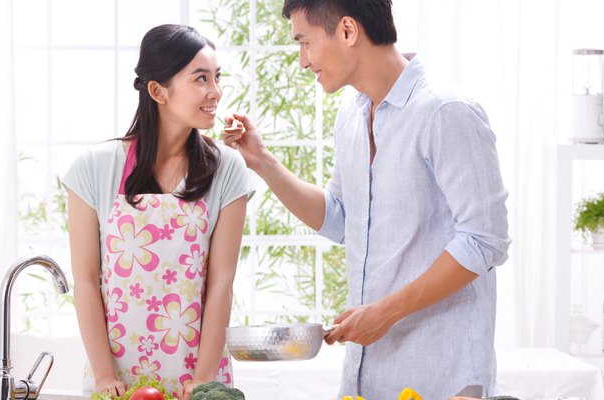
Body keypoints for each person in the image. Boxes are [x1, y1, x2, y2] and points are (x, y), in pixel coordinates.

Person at [222, 1, 511, 399]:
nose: (303, 61)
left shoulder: (445, 111)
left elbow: (485, 240)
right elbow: (342, 219)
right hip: (367, 372)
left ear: (347, 31)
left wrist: (385, 312)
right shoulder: (352, 117)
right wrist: (263, 162)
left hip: (444, 372)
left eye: (305, 43)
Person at [64, 24, 253, 400]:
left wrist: (203, 382)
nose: (215, 92)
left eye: (217, 78)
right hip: (117, 385)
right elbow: (86, 281)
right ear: (157, 91)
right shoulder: (93, 168)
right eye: (201, 79)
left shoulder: (228, 169)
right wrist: (104, 378)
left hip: (196, 380)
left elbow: (220, 284)